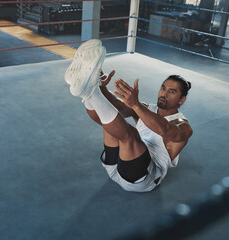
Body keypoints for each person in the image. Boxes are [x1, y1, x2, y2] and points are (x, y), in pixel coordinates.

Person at [65, 39, 193, 192]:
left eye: (171, 92)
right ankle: (90, 92)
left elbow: (164, 129)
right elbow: (118, 106)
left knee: (130, 134)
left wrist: (136, 105)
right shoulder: (147, 108)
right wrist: (102, 87)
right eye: (163, 88)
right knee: (114, 124)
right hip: (115, 165)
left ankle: (91, 93)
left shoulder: (184, 127)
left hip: (142, 179)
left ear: (182, 99)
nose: (163, 94)